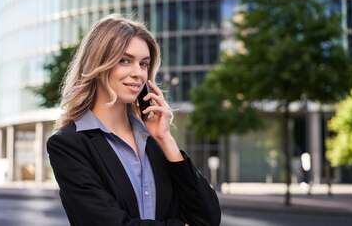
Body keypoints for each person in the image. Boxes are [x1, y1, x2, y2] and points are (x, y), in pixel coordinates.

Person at [46, 14, 221, 226]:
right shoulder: (68, 144)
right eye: (125, 60)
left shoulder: (154, 140)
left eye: (144, 64)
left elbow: (208, 217)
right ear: (99, 63)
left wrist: (166, 140)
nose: (138, 73)